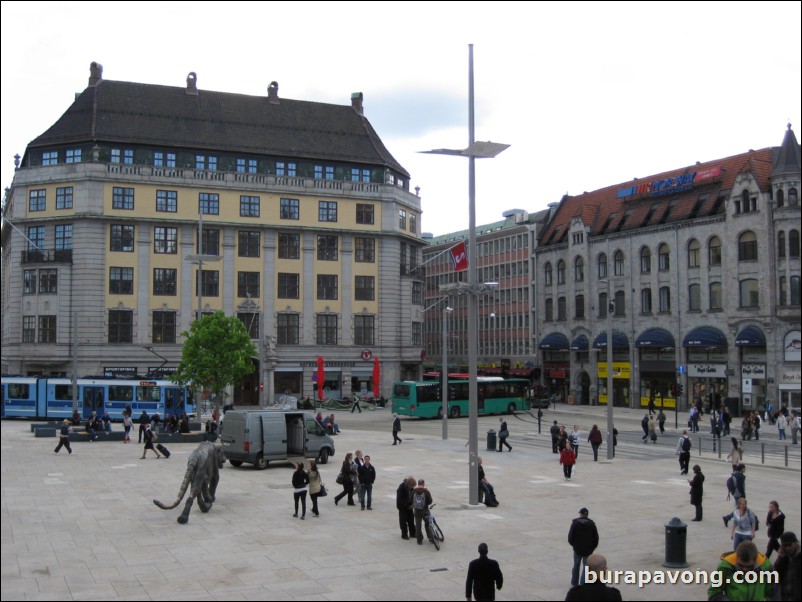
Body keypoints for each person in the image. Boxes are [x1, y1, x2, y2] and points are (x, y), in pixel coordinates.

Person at [707, 540, 775, 601]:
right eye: (741, 565)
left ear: (755, 561)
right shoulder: (725, 567)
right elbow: (714, 592)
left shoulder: (765, 568)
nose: (745, 569)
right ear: (736, 558)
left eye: (749, 567)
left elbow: (772, 592)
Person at [568, 508, 599, 587]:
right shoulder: (592, 524)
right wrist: (592, 548)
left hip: (577, 549)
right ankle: (583, 583)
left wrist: (574, 546)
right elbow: (596, 538)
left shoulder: (575, 524)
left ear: (580, 514)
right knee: (586, 567)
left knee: (576, 565)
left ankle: (574, 583)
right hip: (588, 550)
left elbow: (570, 537)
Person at [774, 532, 801, 602]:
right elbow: (776, 574)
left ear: (795, 542)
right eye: (785, 546)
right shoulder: (785, 558)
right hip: (785, 597)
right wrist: (781, 558)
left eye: (789, 545)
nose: (788, 548)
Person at [412, 478, 433, 545]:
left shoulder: (414, 491)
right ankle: (430, 537)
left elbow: (410, 499)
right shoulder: (426, 491)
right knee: (428, 524)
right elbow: (430, 501)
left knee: (418, 526)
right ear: (423, 484)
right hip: (425, 510)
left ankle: (419, 540)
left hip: (417, 511)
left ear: (418, 484)